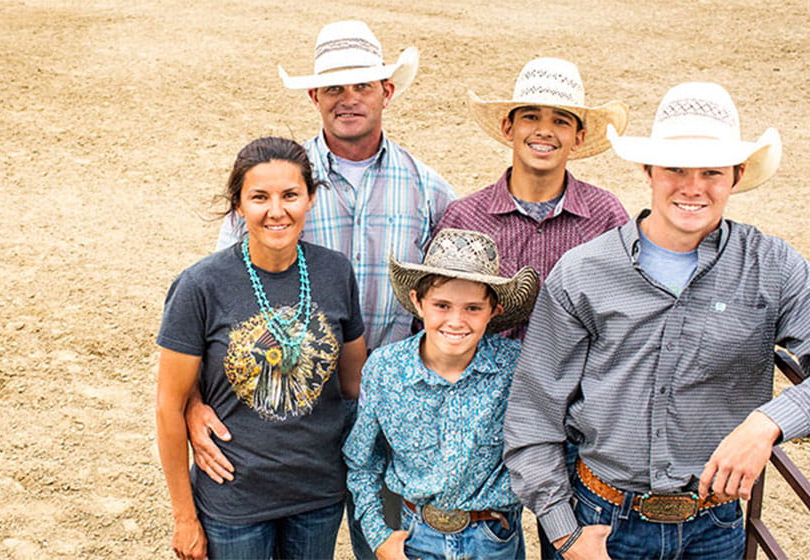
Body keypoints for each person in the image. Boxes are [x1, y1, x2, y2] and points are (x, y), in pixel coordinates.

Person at [503, 82, 810, 559]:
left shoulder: (771, 267)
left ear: (736, 175)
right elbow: (534, 410)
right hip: (600, 522)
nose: (693, 187)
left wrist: (767, 423)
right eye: (675, 168)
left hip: (714, 525)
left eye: (711, 171)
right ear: (648, 170)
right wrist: (565, 532)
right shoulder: (584, 271)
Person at [193, 20, 456, 558]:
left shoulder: (430, 189)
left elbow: (449, 305)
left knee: (390, 546)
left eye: (363, 86)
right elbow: (218, 301)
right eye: (335, 87)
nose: (349, 99)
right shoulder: (277, 185)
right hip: (293, 415)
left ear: (387, 91)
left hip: (397, 411)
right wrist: (194, 402)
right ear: (315, 96)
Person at [156, 136, 368, 560]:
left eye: (290, 195)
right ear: (238, 205)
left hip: (318, 495)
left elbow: (353, 386)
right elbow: (168, 404)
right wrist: (184, 516)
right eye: (259, 197)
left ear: (310, 199)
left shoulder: (335, 272)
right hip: (233, 498)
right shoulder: (200, 285)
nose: (276, 210)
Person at [344, 228, 540, 560]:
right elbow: (362, 461)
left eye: (473, 308)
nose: (455, 320)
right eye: (442, 305)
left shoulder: (514, 366)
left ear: (495, 310)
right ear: (418, 304)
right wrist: (379, 535)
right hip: (416, 538)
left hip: (494, 539)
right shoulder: (385, 369)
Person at [436, 57, 631, 342]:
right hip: (484, 382)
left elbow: (626, 310)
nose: (544, 130)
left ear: (578, 138)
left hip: (577, 383)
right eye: (530, 116)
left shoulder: (605, 216)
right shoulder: (466, 217)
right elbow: (436, 313)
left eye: (561, 120)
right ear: (508, 128)